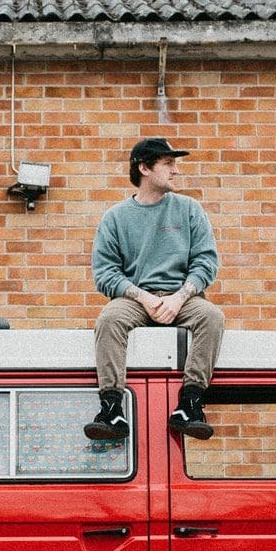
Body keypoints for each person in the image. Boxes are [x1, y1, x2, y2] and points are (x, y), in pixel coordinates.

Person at [85, 137, 225, 441]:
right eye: (168, 164)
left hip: (182, 296)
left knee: (211, 317)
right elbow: (105, 272)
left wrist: (180, 296)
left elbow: (206, 262)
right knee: (109, 320)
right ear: (145, 167)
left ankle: (190, 404)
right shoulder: (116, 218)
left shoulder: (189, 209)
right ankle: (111, 408)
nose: (175, 171)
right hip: (136, 297)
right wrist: (143, 297)